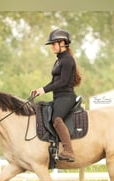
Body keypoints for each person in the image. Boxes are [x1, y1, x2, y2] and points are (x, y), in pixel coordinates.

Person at [31, 28, 82, 162]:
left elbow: (63, 81)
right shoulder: (59, 60)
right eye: (52, 44)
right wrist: (39, 90)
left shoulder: (67, 60)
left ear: (63, 43)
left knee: (57, 119)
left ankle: (68, 151)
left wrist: (44, 90)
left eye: (54, 43)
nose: (52, 47)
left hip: (66, 97)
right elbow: (55, 81)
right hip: (58, 97)